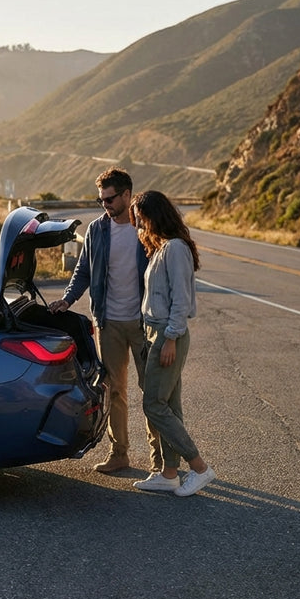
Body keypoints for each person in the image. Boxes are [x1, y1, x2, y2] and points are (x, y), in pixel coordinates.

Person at [49, 167, 159, 474]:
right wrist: (68, 299)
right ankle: (119, 452)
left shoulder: (145, 229)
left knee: (152, 392)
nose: (105, 205)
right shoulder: (97, 230)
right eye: (101, 200)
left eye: (109, 199)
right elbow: (82, 270)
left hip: (142, 323)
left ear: (126, 195)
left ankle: (159, 460)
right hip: (108, 322)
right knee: (114, 391)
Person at [128, 190, 215, 497]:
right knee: (169, 404)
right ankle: (168, 473)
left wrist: (170, 339)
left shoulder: (176, 249)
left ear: (154, 215)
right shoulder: (163, 248)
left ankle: (200, 468)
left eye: (140, 216)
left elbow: (180, 299)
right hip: (156, 332)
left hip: (167, 333)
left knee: (153, 403)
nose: (137, 222)